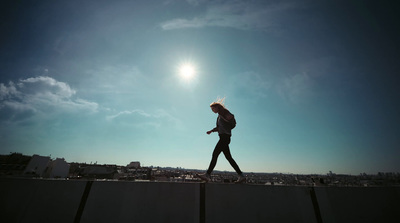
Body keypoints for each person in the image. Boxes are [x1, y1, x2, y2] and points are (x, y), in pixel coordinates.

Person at [197, 99, 245, 183]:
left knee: (215, 154)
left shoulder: (223, 112)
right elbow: (219, 127)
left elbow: (231, 118)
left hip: (225, 138)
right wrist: (212, 131)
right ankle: (241, 175)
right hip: (223, 137)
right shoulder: (219, 116)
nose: (212, 111)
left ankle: (207, 175)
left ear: (216, 107)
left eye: (213, 109)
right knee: (229, 158)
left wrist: (229, 119)